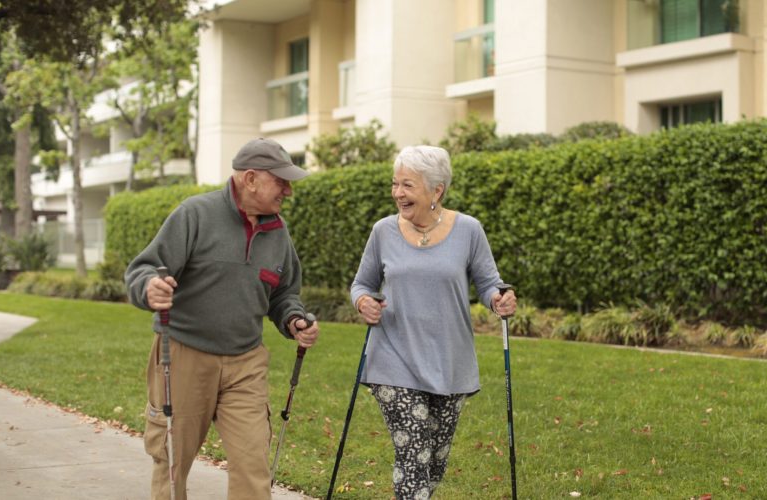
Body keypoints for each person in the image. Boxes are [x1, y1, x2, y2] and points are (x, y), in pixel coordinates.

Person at [124, 137, 320, 500]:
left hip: (245, 360)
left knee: (253, 464)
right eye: (281, 181)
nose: (289, 191)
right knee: (172, 465)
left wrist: (293, 319)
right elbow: (145, 267)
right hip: (184, 354)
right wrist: (149, 286)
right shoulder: (195, 214)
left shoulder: (278, 232)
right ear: (250, 179)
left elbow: (283, 293)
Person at [350, 145, 517, 499]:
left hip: (449, 363)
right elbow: (362, 284)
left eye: (407, 185)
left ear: (436, 190)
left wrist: (498, 299)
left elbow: (489, 283)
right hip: (394, 360)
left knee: (434, 463)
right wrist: (364, 301)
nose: (398, 193)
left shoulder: (469, 230)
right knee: (413, 457)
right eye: (395, 184)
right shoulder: (383, 232)